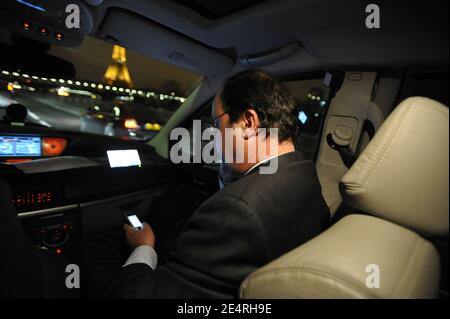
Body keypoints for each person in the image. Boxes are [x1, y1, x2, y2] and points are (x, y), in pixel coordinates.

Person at [104, 69, 330, 298]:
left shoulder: (236, 210)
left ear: (249, 122)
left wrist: (143, 250)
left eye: (215, 124)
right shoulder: (303, 173)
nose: (212, 136)